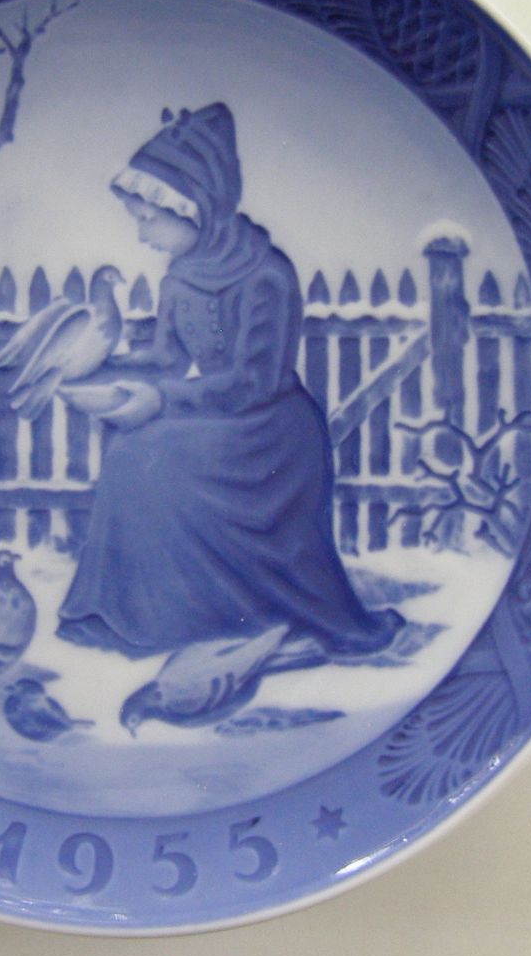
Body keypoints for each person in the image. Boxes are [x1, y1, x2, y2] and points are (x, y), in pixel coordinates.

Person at [56, 102, 403, 659]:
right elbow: (167, 359)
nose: (142, 234)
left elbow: (254, 382)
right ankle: (142, 615)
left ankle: (253, 614)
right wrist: (103, 371)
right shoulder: (180, 277)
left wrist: (159, 401)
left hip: (271, 434)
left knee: (153, 457)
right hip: (215, 419)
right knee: (129, 454)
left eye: (149, 219)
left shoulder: (268, 274)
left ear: (196, 208)